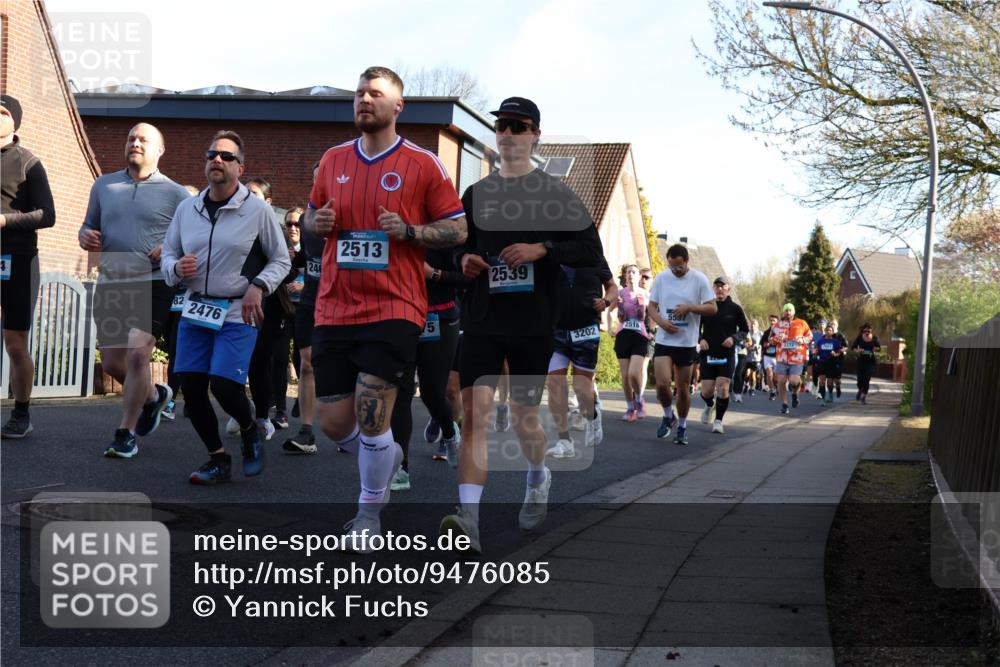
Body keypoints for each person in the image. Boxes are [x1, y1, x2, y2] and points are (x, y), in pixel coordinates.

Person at [305, 67, 467, 551]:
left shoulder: (422, 164)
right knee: (335, 423)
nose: (363, 100)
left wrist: (411, 233)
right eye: (359, 93)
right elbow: (310, 215)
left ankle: (367, 514)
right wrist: (319, 221)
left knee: (373, 415)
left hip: (394, 306)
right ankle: (385, 455)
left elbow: (457, 229)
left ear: (399, 107)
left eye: (375, 94)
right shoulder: (332, 160)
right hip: (334, 306)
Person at [439, 96, 603, 554]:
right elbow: (455, 246)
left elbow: (591, 252)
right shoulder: (476, 194)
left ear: (535, 135)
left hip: (533, 324)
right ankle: (467, 518)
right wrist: (463, 258)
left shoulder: (555, 195)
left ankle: (538, 475)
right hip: (484, 319)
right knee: (476, 416)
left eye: (518, 126)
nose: (508, 134)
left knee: (525, 421)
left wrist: (542, 249)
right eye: (502, 126)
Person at [161, 130, 291, 483]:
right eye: (211, 154)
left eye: (226, 156)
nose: (216, 159)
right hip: (195, 308)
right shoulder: (188, 209)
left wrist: (258, 287)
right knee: (191, 384)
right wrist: (175, 268)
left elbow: (281, 260)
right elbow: (168, 254)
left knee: (223, 384)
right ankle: (217, 458)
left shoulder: (257, 210)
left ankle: (250, 429)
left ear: (240, 167)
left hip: (238, 310)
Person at [78, 122, 189, 457]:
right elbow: (88, 226)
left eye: (144, 139)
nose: (135, 143)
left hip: (153, 280)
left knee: (139, 354)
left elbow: (189, 238)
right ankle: (155, 395)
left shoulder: (176, 194)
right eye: (131, 138)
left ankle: (125, 432)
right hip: (113, 279)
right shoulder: (104, 186)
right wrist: (85, 236)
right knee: (112, 363)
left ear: (159, 150)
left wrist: (169, 246)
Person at [388, 248, 469, 491]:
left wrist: (432, 274)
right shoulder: (396, 226)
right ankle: (401, 468)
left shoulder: (450, 228)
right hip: (401, 315)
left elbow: (468, 279)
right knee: (401, 393)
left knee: (433, 393)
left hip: (440, 317)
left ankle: (449, 432)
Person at [0, 95, 56, 439]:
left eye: (2, 112)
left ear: (14, 122)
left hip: (17, 261)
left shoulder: (28, 163)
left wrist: (5, 221)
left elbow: (47, 215)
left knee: (15, 344)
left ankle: (21, 413)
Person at [546, 256, 617, 457]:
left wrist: (606, 301)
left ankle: (593, 416)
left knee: (581, 389)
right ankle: (564, 441)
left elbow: (612, 287)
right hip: (557, 329)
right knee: (554, 383)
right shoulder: (550, 254)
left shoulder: (593, 255)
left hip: (585, 328)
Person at [648, 244, 717, 445]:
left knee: (683, 388)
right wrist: (661, 323)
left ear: (686, 262)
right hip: (664, 339)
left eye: (678, 267)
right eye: (671, 267)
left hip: (686, 343)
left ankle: (683, 426)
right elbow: (651, 307)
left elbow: (712, 308)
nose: (675, 271)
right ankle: (669, 415)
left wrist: (690, 307)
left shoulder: (699, 279)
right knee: (661, 384)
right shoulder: (662, 278)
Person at [284, 195, 324, 454]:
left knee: (347, 364)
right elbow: (305, 258)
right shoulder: (307, 220)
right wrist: (291, 257)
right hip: (310, 301)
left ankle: (350, 428)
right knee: (306, 362)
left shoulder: (352, 216)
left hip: (342, 301)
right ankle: (307, 432)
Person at [697, 276, 748, 434]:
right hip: (708, 353)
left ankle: (718, 421)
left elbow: (745, 330)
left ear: (728, 289)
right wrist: (701, 339)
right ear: (713, 288)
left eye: (723, 286)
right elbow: (695, 328)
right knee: (706, 391)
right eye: (717, 286)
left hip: (726, 354)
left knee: (723, 388)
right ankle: (709, 404)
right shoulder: (706, 307)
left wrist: (733, 338)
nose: (720, 289)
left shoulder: (735, 309)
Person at [609, 264, 650, 422]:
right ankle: (629, 407)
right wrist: (611, 328)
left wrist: (652, 330)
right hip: (623, 335)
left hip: (639, 336)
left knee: (634, 373)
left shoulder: (646, 294)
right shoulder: (620, 294)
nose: (630, 274)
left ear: (639, 276)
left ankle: (639, 400)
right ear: (625, 276)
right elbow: (610, 311)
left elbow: (653, 313)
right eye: (628, 272)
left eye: (633, 272)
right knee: (625, 376)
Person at [769, 303, 811, 415]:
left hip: (796, 358)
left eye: (790, 310)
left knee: (794, 380)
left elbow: (810, 336)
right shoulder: (777, 325)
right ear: (783, 312)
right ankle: (784, 404)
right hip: (782, 358)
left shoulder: (801, 323)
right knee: (781, 381)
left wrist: (803, 340)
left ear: (794, 311)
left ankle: (795, 394)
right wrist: (777, 338)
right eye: (786, 310)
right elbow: (770, 340)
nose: (788, 312)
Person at [852, 323, 881, 405]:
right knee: (859, 380)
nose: (867, 332)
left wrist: (875, 348)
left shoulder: (874, 338)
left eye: (869, 330)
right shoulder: (859, 338)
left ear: (871, 331)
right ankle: (860, 389)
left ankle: (863, 396)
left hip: (871, 362)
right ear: (863, 331)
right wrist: (858, 350)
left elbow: (879, 348)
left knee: (867, 379)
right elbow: (853, 347)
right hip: (861, 361)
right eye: (865, 331)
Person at [815, 323, 843, 405]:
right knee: (822, 381)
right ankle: (823, 399)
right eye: (827, 330)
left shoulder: (836, 342)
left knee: (830, 383)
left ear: (832, 332)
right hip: (822, 362)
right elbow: (817, 351)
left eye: (830, 330)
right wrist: (815, 352)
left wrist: (835, 354)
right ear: (825, 331)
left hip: (831, 363)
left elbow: (839, 352)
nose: (828, 332)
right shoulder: (820, 341)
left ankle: (830, 394)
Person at [760, 314, 780, 400]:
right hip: (767, 356)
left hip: (777, 356)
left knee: (775, 376)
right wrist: (766, 344)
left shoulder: (780, 333)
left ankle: (776, 387)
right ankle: (772, 391)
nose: (772, 322)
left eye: (774, 321)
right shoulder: (766, 332)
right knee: (769, 374)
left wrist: (775, 343)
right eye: (771, 320)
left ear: (777, 322)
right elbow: (762, 344)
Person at [829, 319, 849, 399]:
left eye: (834, 324)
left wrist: (842, 350)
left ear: (837, 325)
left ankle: (838, 387)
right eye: (831, 324)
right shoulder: (827, 335)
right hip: (828, 359)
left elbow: (846, 347)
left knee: (837, 380)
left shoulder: (841, 336)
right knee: (829, 380)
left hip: (838, 359)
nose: (833, 325)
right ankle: (830, 395)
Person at [744, 319, 762, 395]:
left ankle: (752, 388)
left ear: (757, 325)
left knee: (753, 374)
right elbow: (746, 342)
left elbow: (763, 343)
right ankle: (746, 384)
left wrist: (758, 347)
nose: (753, 325)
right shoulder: (748, 333)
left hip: (756, 357)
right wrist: (747, 345)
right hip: (747, 356)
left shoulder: (761, 334)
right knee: (747, 373)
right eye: (752, 324)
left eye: (754, 324)